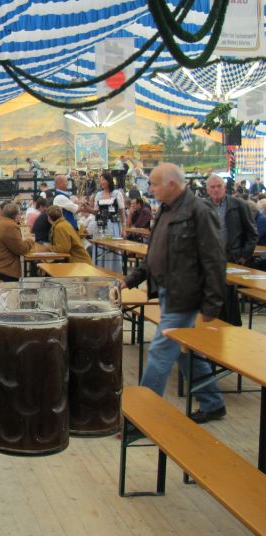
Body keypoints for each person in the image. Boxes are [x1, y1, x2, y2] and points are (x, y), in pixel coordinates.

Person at [124, 163, 227, 424]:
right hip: (167, 293)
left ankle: (142, 419)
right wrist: (132, 279)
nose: (151, 189)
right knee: (183, 351)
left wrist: (212, 306)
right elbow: (154, 253)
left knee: (159, 354)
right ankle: (213, 403)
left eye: (154, 184)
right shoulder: (166, 210)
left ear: (171, 184)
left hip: (184, 297)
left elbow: (215, 261)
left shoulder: (199, 211)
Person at [205, 174, 258, 326]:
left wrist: (244, 255)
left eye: (219, 186)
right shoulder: (202, 206)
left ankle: (232, 327)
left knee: (228, 296)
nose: (216, 190)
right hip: (208, 258)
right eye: (212, 187)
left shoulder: (239, 205)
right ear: (207, 190)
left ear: (224, 187)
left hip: (231, 257)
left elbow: (252, 234)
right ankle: (210, 329)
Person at [0, 202, 34, 281]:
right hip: (5, 270)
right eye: (20, 214)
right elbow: (21, 249)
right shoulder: (10, 226)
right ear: (16, 216)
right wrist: (30, 240)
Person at [93, 171, 126, 272]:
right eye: (100, 180)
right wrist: (86, 208)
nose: (101, 182)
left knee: (112, 250)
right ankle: (100, 271)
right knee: (100, 249)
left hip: (112, 225)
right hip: (100, 225)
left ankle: (113, 271)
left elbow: (122, 212)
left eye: (103, 180)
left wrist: (124, 228)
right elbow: (95, 211)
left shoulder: (117, 193)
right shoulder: (98, 195)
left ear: (109, 181)